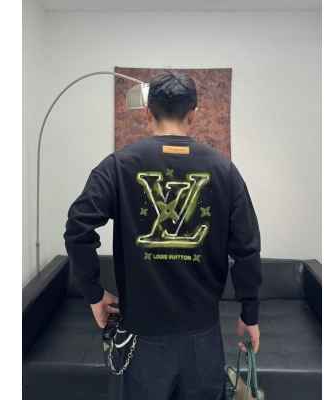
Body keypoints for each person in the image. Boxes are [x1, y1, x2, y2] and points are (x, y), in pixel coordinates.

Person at [63, 72, 262, 400]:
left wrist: (94, 294)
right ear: (193, 113)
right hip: (202, 338)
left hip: (141, 337)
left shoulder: (118, 165)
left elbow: (77, 227)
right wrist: (249, 314)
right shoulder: (224, 170)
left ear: (147, 112)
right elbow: (247, 249)